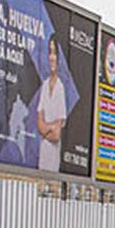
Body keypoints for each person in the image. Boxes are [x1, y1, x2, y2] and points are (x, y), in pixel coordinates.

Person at [35, 37, 68, 172]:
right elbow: (39, 125)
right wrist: (50, 127)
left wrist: (45, 130)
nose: (51, 57)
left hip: (53, 163)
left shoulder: (60, 88)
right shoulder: (44, 85)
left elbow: (56, 135)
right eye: (50, 52)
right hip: (42, 159)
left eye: (54, 53)